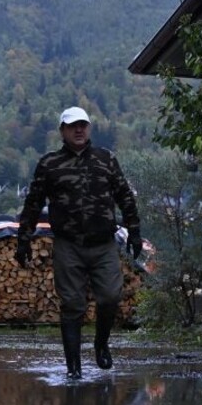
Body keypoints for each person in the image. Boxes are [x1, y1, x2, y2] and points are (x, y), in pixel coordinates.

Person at [15, 106, 143, 379]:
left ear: (89, 128)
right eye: (73, 126)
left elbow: (124, 196)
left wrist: (134, 231)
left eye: (83, 125)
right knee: (72, 305)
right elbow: (33, 203)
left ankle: (101, 343)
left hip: (103, 243)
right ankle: (73, 368)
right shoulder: (50, 164)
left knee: (110, 296)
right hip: (68, 244)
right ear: (62, 130)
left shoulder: (105, 159)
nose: (79, 130)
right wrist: (23, 239)